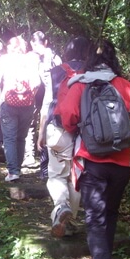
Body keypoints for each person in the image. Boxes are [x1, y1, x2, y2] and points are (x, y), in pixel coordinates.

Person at [56, 39, 130, 259]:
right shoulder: (124, 85)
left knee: (95, 216)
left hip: (92, 162)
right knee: (110, 213)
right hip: (123, 164)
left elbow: (67, 119)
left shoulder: (80, 84)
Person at [37, 36, 91, 238]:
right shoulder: (93, 72)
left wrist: (41, 132)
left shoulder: (56, 71)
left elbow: (47, 104)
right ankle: (69, 218)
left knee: (56, 176)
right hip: (85, 134)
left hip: (59, 130)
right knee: (74, 176)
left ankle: (61, 208)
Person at [0, 36, 41, 181]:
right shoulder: (30, 60)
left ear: (9, 47)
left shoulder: (4, 60)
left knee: (9, 138)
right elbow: (37, 83)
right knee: (21, 137)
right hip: (27, 104)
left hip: (8, 103)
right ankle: (17, 168)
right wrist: (31, 96)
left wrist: (0, 98)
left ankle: (13, 172)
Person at [28, 31, 62, 174]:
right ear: (46, 42)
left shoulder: (43, 59)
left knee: (46, 131)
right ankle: (53, 169)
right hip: (59, 99)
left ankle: (45, 170)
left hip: (49, 99)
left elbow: (42, 84)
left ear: (33, 44)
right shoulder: (55, 57)